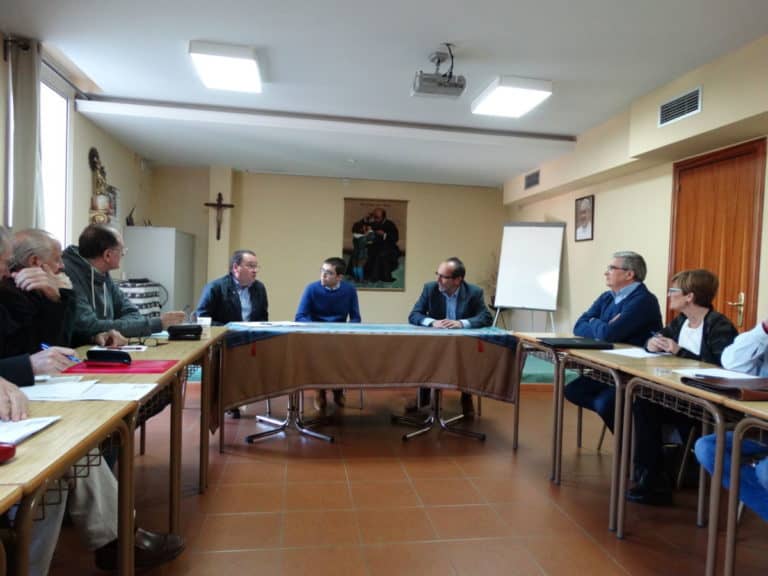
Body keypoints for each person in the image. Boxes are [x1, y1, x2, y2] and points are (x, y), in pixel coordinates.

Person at [0, 226, 185, 574]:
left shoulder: (20, 289)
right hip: (21, 405)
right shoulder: (21, 289)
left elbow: (49, 342)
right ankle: (118, 540)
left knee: (69, 453)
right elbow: (32, 349)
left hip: (27, 397)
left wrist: (56, 300)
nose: (9, 271)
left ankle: (116, 540)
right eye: (4, 263)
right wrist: (24, 362)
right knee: (64, 453)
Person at [628, 269, 737, 505]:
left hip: (707, 403)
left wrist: (679, 351)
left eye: (673, 290)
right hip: (681, 395)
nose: (669, 294)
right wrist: (652, 343)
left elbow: (722, 368)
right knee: (643, 402)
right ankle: (652, 475)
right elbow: (658, 337)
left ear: (689, 296)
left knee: (646, 407)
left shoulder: (718, 325)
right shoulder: (681, 321)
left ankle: (656, 476)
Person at [564, 251, 663, 431]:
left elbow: (609, 334)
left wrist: (594, 322)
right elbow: (578, 326)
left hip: (632, 372)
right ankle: (631, 433)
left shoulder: (643, 300)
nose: (606, 272)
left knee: (605, 404)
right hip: (609, 367)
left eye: (611, 268)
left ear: (629, 274)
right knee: (573, 391)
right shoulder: (607, 296)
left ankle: (635, 441)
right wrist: (600, 325)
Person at [693, 315, 768, 520]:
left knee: (765, 471)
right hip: (760, 429)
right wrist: (763, 330)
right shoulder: (763, 336)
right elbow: (731, 362)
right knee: (707, 448)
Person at [62, 224, 185, 346]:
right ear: (107, 255)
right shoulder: (68, 274)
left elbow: (133, 314)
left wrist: (109, 328)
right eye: (122, 250)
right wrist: (157, 323)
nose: (123, 254)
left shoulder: (102, 273)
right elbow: (89, 326)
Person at [408, 257, 492, 416]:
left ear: (457, 280)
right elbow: (414, 315)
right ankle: (423, 397)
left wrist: (461, 323)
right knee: (424, 354)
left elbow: (485, 317)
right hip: (436, 343)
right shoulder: (430, 289)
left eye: (443, 276)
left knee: (469, 356)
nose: (438, 279)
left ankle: (466, 396)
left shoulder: (474, 292)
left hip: (461, 344)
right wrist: (433, 322)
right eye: (437, 274)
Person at [295, 257, 361, 411]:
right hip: (316, 335)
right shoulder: (311, 289)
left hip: (339, 335)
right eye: (322, 271)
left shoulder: (349, 290)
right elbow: (300, 316)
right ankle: (320, 391)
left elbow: (356, 318)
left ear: (339, 277)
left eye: (329, 273)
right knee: (320, 353)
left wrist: (347, 330)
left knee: (341, 353)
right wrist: (317, 328)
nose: (323, 275)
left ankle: (338, 390)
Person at [196, 249, 269, 324]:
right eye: (251, 266)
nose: (255, 270)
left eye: (256, 266)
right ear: (235, 267)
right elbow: (202, 318)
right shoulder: (215, 288)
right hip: (223, 331)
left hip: (253, 331)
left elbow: (263, 317)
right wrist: (227, 328)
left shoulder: (259, 288)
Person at [364, 208, 400, 283]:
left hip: (389, 248)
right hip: (375, 246)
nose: (375, 219)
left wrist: (384, 234)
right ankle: (365, 276)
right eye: (374, 217)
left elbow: (395, 238)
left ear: (383, 217)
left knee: (380, 255)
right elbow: (367, 234)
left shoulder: (390, 224)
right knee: (363, 252)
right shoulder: (373, 223)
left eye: (377, 217)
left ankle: (376, 277)